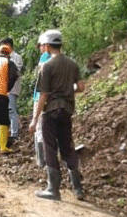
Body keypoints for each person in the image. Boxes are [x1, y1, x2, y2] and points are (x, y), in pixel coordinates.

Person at [29, 29, 85, 201]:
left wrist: (34, 119)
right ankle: (78, 189)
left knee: (50, 148)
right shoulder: (73, 64)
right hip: (67, 110)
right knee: (67, 146)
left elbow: (43, 95)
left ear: (47, 46)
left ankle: (53, 189)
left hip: (51, 111)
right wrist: (68, 91)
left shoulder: (47, 66)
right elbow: (81, 87)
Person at [33, 33, 52, 168]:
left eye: (40, 45)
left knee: (39, 127)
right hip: (53, 98)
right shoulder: (58, 58)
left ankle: (41, 161)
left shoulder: (45, 57)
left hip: (41, 96)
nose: (39, 48)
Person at [0, 38, 23, 144]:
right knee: (4, 111)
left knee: (12, 110)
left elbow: (15, 73)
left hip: (12, 88)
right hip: (2, 88)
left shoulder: (16, 57)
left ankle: (14, 133)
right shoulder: (2, 57)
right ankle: (4, 133)